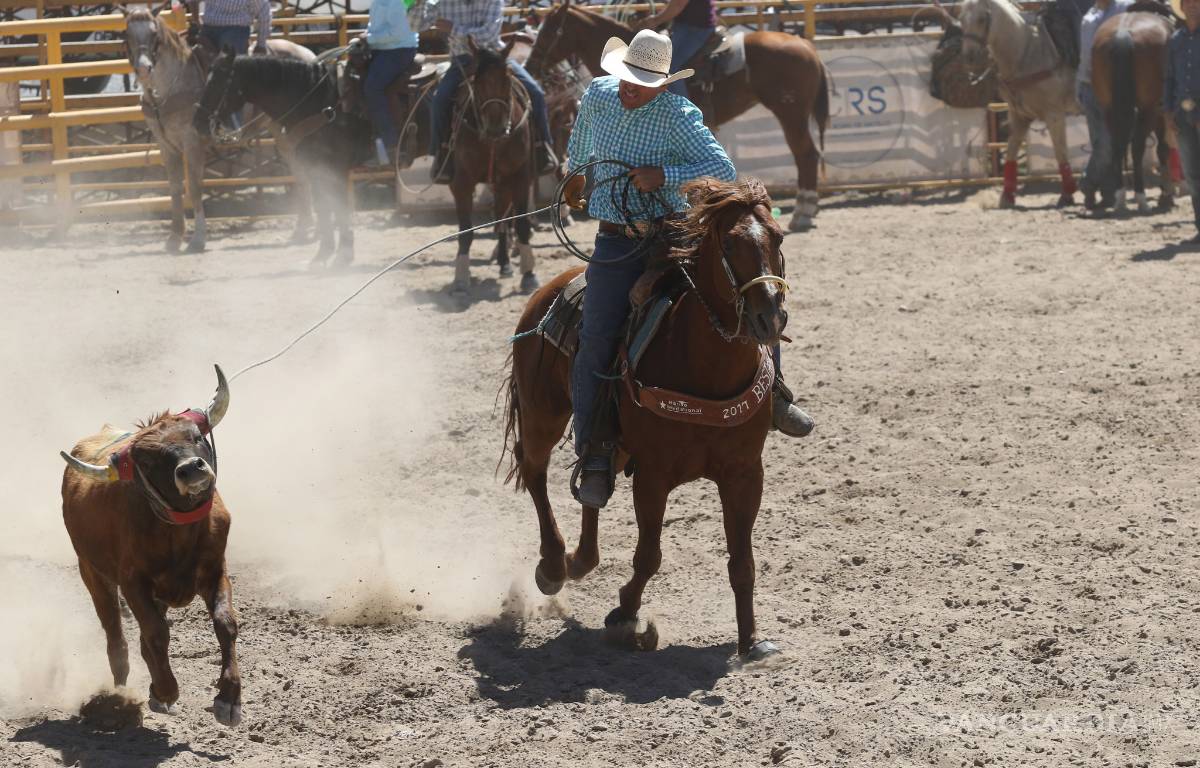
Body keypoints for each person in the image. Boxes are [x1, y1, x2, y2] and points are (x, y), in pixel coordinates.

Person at [562, 30, 814, 509]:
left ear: (662, 84)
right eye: (626, 78)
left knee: (743, 295)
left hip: (672, 235)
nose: (629, 88)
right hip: (616, 238)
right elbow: (581, 143)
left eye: (641, 83)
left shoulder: (679, 116)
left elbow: (721, 169)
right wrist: (575, 175)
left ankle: (775, 395)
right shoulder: (598, 95)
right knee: (595, 334)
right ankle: (595, 451)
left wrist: (664, 176)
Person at [421, 0, 557, 183]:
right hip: (462, 60)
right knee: (439, 100)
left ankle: (542, 147)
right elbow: (417, 25)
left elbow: (488, 35)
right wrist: (412, 2)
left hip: (495, 56)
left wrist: (453, 28)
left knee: (536, 93)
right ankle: (441, 153)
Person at [1077, 0, 1133, 209]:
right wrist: (1079, 86)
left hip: (1113, 87)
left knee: (1107, 144)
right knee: (1099, 143)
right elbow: (1084, 56)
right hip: (1088, 86)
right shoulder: (1088, 17)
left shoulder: (1124, 7)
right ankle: (1107, 194)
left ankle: (1087, 183)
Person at [360, 0, 419, 164]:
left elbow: (397, 33)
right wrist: (367, 35)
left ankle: (390, 145)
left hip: (400, 50)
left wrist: (369, 38)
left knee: (373, 88)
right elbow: (377, 25)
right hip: (383, 49)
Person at [631, 0, 717, 102]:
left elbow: (678, 4)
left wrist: (655, 20)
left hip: (695, 28)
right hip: (687, 25)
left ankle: (683, 109)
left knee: (669, 67)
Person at [1166, 0, 1200, 241]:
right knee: (1192, 173)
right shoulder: (1175, 40)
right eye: (1187, 1)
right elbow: (1169, 78)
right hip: (1181, 114)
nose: (1193, 5)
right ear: (1182, 7)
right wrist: (1168, 112)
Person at [190, 0, 271, 56]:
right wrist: (197, 20)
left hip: (235, 30)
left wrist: (261, 45)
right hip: (208, 28)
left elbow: (264, 10)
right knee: (194, 59)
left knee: (230, 64)